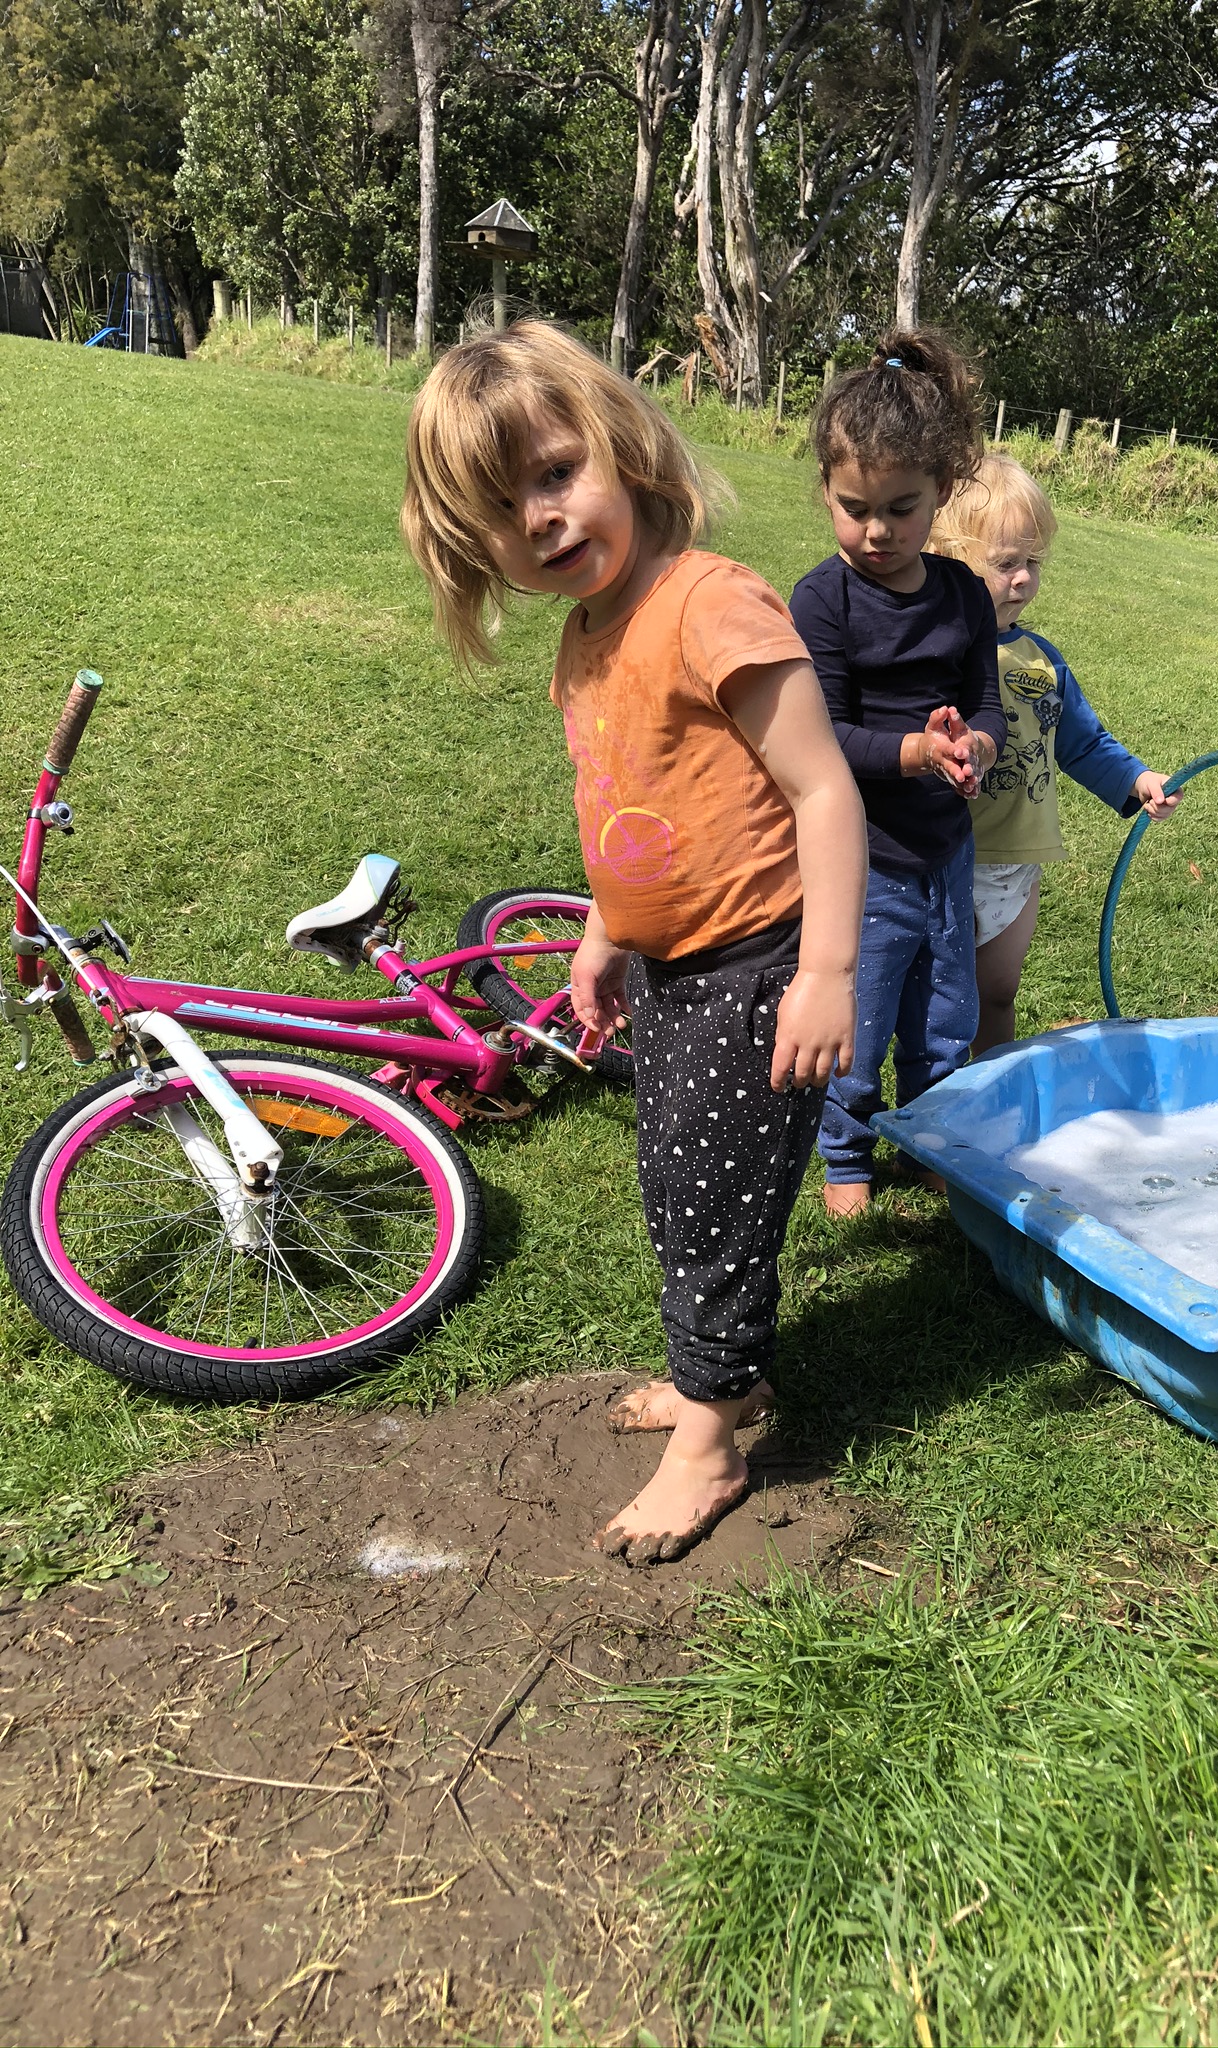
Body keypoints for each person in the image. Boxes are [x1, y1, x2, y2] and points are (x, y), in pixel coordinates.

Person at [401, 322, 866, 1565]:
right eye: (505, 507)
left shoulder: (707, 602)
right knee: (679, 1181)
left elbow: (824, 791)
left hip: (758, 968)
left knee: (714, 1198)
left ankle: (711, 1441)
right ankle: (725, 1376)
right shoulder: (586, 635)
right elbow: (632, 807)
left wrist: (828, 973)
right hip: (672, 970)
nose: (542, 517)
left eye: (557, 472)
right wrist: (605, 937)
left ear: (620, 446)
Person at [789, 330, 1004, 1219]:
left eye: (901, 509)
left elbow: (986, 703)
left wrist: (976, 746)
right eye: (854, 508)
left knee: (946, 1015)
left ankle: (926, 1139)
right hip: (863, 859)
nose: (876, 530)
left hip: (945, 852)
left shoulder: (963, 594)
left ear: (942, 490)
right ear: (826, 490)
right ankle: (845, 1150)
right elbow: (822, 738)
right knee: (863, 1015)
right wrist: (914, 752)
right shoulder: (823, 601)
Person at [929, 454, 1179, 1055]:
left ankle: (995, 1091)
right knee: (938, 1002)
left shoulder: (1042, 660)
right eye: (1005, 564)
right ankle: (934, 1096)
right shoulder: (931, 654)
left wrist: (1137, 778)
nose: (1023, 579)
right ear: (946, 557)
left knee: (998, 993)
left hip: (1018, 862)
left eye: (1033, 562)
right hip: (945, 858)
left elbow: (1082, 742)